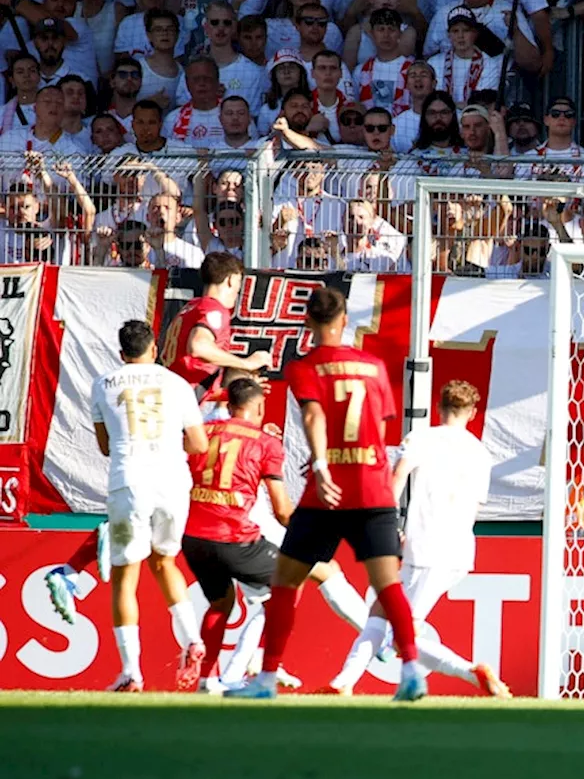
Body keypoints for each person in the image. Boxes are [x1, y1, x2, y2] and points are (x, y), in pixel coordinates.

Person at [225, 287, 427, 701]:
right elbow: (381, 426)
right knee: (387, 585)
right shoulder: (372, 366)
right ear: (343, 320)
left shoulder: (305, 367)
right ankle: (411, 673)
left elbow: (315, 415)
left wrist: (321, 462)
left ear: (307, 323)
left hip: (327, 493)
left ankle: (264, 679)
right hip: (371, 489)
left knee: (284, 582)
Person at [327, 380, 510, 697]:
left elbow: (396, 478)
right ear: (472, 412)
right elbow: (476, 506)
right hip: (458, 549)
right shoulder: (481, 453)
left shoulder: (422, 437)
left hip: (426, 548)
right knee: (380, 613)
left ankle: (470, 672)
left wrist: (386, 526)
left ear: (439, 407)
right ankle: (342, 683)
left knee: (400, 633)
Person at [89, 321, 209, 692]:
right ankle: (193, 640)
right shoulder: (176, 384)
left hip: (130, 482)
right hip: (172, 482)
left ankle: (131, 672)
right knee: (166, 561)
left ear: (121, 354)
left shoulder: (104, 384)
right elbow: (199, 443)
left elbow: (106, 445)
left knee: (126, 577)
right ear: (154, 350)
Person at [179, 378, 292, 695]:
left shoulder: (203, 432)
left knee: (220, 603)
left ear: (228, 406)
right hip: (234, 536)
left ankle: (206, 680)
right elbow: (282, 510)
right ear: (259, 407)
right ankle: (262, 670)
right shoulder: (266, 443)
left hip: (193, 538)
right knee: (288, 585)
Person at [159, 252, 272, 406]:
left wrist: (243, 390)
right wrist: (246, 363)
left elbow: (196, 374)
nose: (238, 291)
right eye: (239, 282)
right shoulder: (214, 310)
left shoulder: (191, 307)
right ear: (231, 280)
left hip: (169, 395)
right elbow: (198, 346)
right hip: (178, 403)